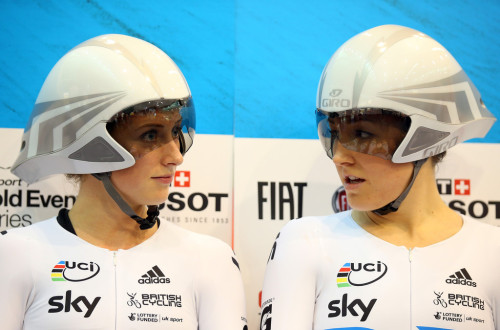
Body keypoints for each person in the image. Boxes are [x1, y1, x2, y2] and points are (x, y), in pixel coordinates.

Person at [0, 34, 248, 330]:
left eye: (176, 132)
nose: (176, 157)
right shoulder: (14, 254)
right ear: (90, 148)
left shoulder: (210, 260)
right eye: (150, 135)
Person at [260, 24, 498, 330]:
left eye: (362, 135)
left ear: (425, 138)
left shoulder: (492, 253)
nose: (339, 156)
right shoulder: (304, 242)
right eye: (332, 135)